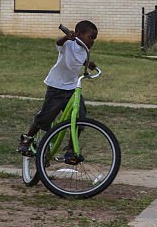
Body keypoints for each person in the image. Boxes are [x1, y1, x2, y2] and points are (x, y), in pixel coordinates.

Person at [17, 21, 98, 161]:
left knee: (80, 117)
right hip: (56, 87)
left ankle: (71, 150)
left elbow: (77, 60)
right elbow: (58, 43)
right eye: (91, 37)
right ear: (79, 34)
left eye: (94, 38)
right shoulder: (68, 44)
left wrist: (87, 64)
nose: (93, 41)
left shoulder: (85, 51)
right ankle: (27, 138)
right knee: (45, 117)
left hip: (72, 87)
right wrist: (67, 37)